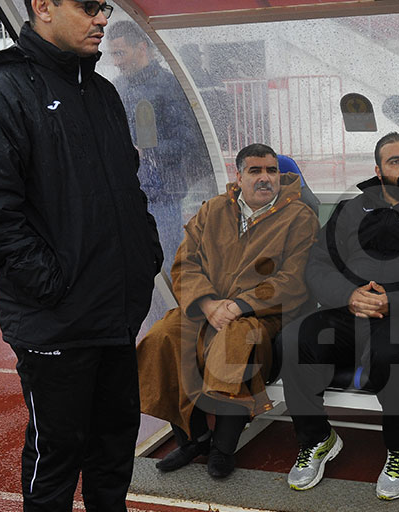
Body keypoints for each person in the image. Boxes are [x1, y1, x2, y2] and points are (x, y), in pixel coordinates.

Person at [0, 1, 163, 512]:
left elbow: (128, 187)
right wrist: (51, 284)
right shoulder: (2, 91)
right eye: (88, 6)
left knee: (115, 435)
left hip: (116, 306)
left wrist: (145, 254)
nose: (102, 18)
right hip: (56, 314)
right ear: (43, 6)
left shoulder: (102, 91)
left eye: (104, 7)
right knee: (58, 447)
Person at [280, 132, 399, 500]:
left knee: (389, 352)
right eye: (395, 161)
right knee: (294, 338)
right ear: (379, 170)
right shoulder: (352, 209)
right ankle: (317, 438)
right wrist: (349, 296)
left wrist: (392, 302)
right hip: (351, 310)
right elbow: (317, 264)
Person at [136, 143, 318, 478]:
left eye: (272, 171)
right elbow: (186, 264)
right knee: (163, 338)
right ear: (239, 176)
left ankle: (223, 447)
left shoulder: (299, 217)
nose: (265, 178)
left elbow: (293, 279)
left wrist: (238, 305)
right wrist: (208, 304)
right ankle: (193, 439)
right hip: (206, 309)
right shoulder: (213, 210)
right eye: (255, 171)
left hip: (263, 316)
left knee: (235, 342)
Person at [107, 20, 216, 272]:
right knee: (132, 263)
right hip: (128, 191)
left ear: (141, 48)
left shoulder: (169, 86)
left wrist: (146, 152)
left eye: (120, 53)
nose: (116, 62)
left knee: (165, 263)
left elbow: (188, 141)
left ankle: (172, 299)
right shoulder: (119, 86)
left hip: (164, 194)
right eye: (113, 54)